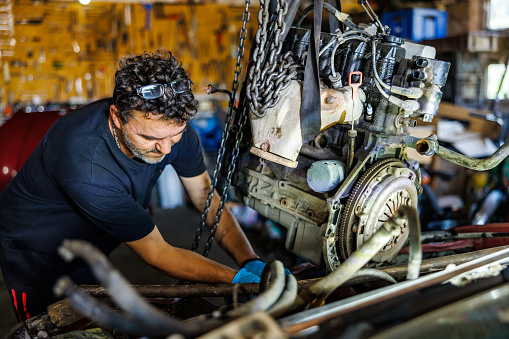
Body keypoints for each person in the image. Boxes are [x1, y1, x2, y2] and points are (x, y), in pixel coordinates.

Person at [0, 51, 272, 321]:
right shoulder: (85, 163)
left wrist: (249, 261)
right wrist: (238, 279)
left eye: (175, 135)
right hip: (37, 253)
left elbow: (205, 197)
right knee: (49, 326)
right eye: (149, 137)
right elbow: (158, 252)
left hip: (91, 242)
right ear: (117, 117)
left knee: (95, 316)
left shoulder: (171, 129)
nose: (165, 149)